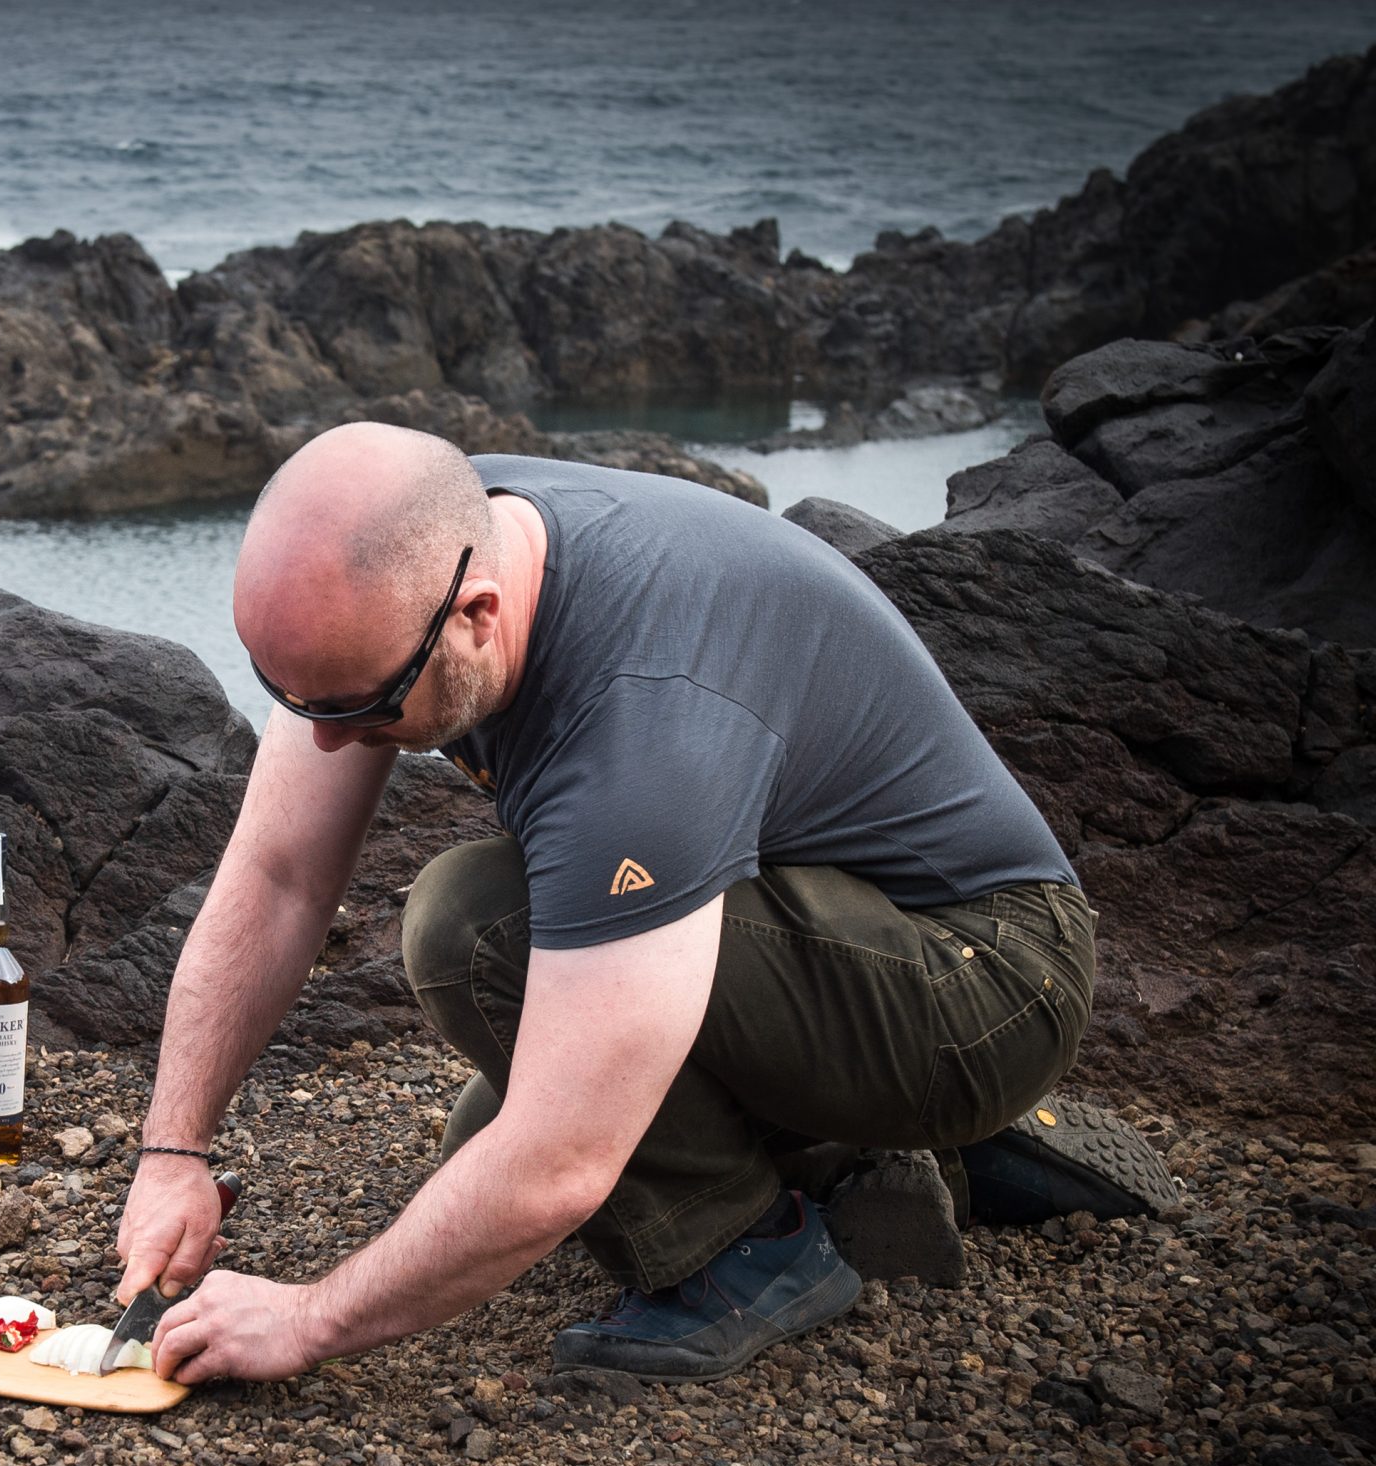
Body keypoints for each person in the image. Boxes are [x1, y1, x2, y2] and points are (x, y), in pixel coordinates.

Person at [117, 422, 1175, 1386]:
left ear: (475, 615)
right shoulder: (421, 548)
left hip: (983, 979)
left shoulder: (639, 724)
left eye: (356, 707)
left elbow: (555, 1168)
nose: (326, 742)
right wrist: (173, 1154)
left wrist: (303, 1321)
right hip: (842, 919)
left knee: (479, 938)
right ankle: (885, 1145)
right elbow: (278, 876)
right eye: (288, 691)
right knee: (486, 1136)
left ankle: (755, 1252)